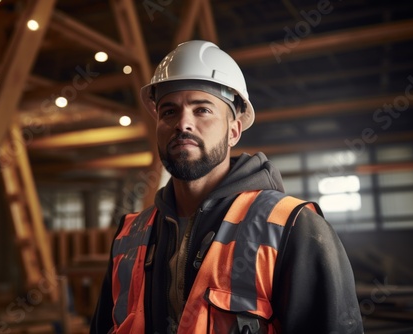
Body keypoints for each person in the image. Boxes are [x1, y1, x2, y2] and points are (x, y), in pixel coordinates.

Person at [90, 40, 363, 334]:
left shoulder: (292, 227)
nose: (183, 124)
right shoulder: (131, 235)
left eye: (202, 110)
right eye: (169, 111)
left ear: (233, 131)